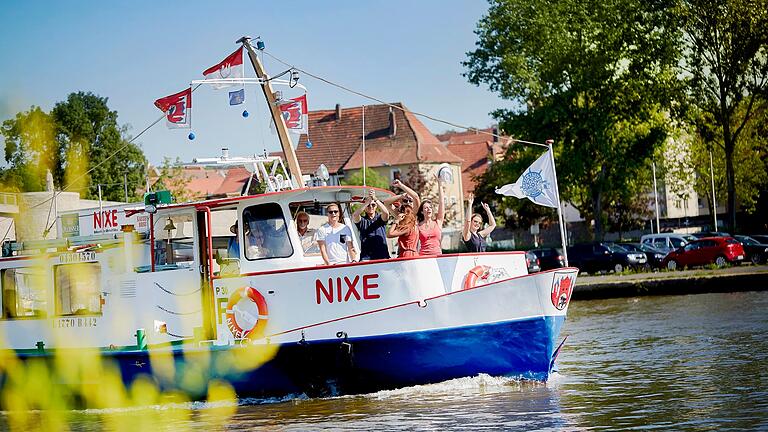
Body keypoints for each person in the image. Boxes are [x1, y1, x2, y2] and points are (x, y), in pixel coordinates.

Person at [352, 189, 390, 260]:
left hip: (383, 256)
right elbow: (355, 215)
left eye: (373, 205)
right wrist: (367, 202)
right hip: (366, 258)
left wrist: (375, 199)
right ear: (365, 207)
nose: (371, 207)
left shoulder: (380, 218)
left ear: (376, 206)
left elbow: (386, 213)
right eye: (368, 205)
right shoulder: (362, 220)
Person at [417, 175, 446, 255]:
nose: (429, 209)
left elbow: (442, 203)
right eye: (426, 208)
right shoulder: (418, 226)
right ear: (422, 212)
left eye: (430, 207)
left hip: (438, 256)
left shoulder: (438, 222)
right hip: (423, 257)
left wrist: (440, 185)